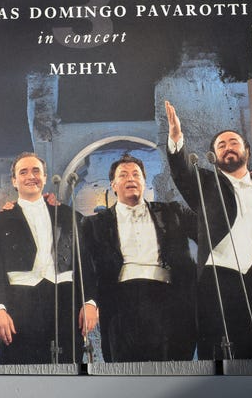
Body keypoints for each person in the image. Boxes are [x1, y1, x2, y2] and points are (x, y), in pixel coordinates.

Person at [165, 100, 252, 359]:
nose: (228, 148)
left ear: (246, 150)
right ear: (214, 156)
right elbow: (182, 171)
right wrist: (176, 139)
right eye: (221, 145)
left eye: (233, 142)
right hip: (222, 277)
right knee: (230, 350)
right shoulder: (205, 183)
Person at [0, 152, 98, 365]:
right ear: (14, 181)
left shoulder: (69, 216)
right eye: (23, 172)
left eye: (36, 171)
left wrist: (90, 302)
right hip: (18, 306)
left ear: (45, 177)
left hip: (65, 304)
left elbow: (85, 263)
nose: (30, 176)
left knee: (67, 370)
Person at [82, 153, 198, 363]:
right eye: (123, 175)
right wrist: (90, 301)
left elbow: (210, 227)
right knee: (126, 371)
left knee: (171, 369)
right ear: (113, 185)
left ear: (144, 181)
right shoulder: (95, 224)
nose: (131, 179)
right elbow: (86, 267)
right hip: (120, 302)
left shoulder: (172, 212)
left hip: (168, 298)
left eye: (136, 174)